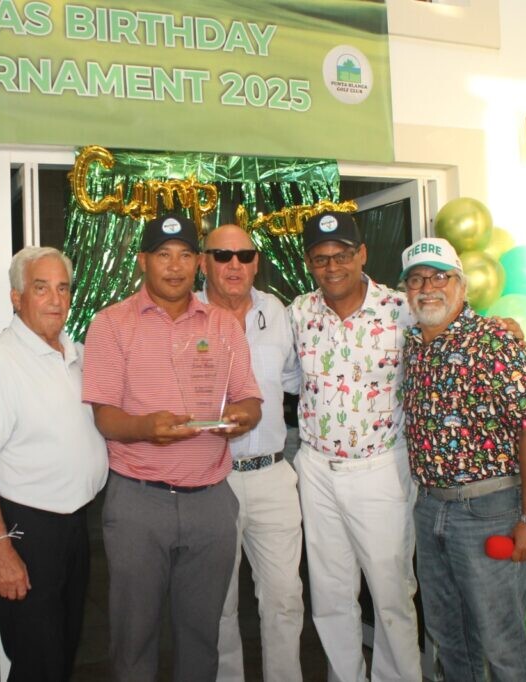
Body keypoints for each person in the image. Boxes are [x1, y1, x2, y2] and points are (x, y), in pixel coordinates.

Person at [82, 214, 263, 682]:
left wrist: (241, 418)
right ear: (143, 261)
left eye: (185, 255)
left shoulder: (222, 324)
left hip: (211, 501)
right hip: (139, 502)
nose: (175, 266)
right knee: (133, 637)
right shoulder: (111, 324)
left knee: (202, 637)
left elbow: (249, 398)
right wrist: (146, 427)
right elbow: (105, 418)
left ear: (198, 263)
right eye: (163, 255)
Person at [400, 237, 526, 680]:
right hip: (430, 508)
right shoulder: (413, 344)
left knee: (501, 643)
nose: (428, 287)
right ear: (406, 292)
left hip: (489, 511)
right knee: (449, 638)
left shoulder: (495, 341)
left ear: (461, 286)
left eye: (440, 276)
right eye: (417, 279)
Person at [0, 246, 108, 681]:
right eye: (41, 288)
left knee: (61, 654)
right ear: (17, 297)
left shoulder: (74, 353)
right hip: (27, 529)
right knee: (36, 662)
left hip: (74, 525)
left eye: (63, 289)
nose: (56, 300)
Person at [288, 210, 421, 682]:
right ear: (310, 263)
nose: (332, 267)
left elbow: (454, 327)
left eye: (342, 255)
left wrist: (500, 325)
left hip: (380, 468)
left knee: (391, 594)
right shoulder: (299, 312)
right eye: (321, 258)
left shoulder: (401, 309)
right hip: (317, 468)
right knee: (329, 594)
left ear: (361, 254)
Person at [197, 225, 304, 682]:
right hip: (209, 479)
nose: (234, 265)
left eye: (244, 255)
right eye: (222, 255)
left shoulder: (276, 312)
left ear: (256, 262)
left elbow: (297, 380)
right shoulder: (185, 314)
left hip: (272, 476)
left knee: (285, 599)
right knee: (217, 605)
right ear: (204, 262)